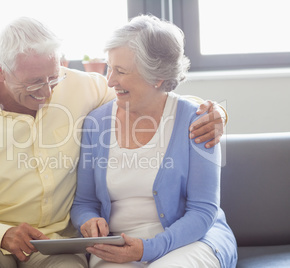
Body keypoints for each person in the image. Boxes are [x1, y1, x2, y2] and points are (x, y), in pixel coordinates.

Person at [0, 16, 227, 268]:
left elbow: (153, 97)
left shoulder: (81, 87)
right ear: (0, 69)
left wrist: (212, 113)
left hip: (55, 243)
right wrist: (0, 234)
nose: (46, 93)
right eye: (34, 83)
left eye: (53, 77)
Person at [70, 15, 237, 268]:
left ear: (157, 77)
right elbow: (85, 203)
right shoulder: (96, 123)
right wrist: (88, 220)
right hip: (117, 247)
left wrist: (147, 249)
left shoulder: (199, 122)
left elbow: (202, 212)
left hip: (191, 242)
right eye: (109, 67)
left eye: (120, 71)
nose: (110, 80)